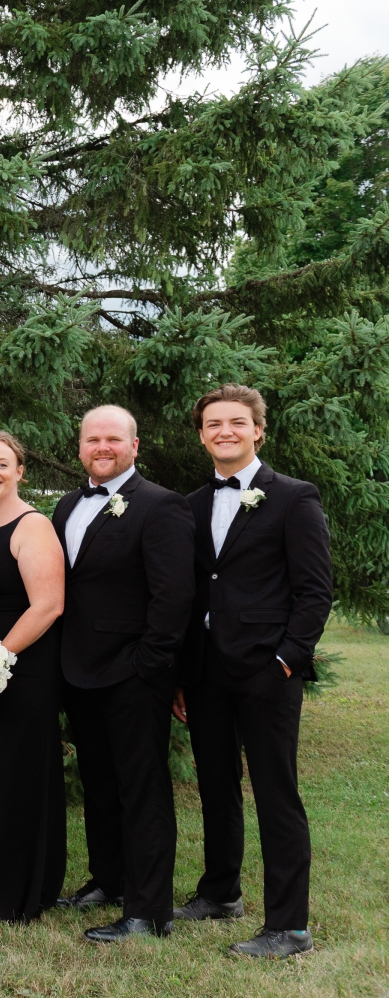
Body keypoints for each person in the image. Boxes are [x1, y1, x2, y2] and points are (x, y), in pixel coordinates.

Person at [173, 385, 331, 958]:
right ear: (201, 434)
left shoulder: (293, 497)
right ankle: (220, 893)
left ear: (257, 430)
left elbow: (314, 592)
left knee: (275, 794)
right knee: (216, 786)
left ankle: (289, 927)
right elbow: (190, 591)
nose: (225, 432)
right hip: (207, 671)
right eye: (214, 424)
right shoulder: (189, 504)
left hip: (270, 671)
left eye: (237, 423)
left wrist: (287, 660)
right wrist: (182, 673)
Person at [53, 405, 194, 943]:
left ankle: (148, 909)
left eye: (114, 438)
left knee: (142, 789)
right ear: (81, 446)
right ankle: (109, 880)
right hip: (79, 671)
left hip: (135, 674)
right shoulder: (67, 505)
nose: (102, 447)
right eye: (93, 439)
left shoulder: (162, 506)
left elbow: (173, 596)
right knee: (100, 784)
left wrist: (148, 666)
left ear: (135, 445)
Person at [0, 431, 66, 922]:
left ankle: (17, 892)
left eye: (2, 464)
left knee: (18, 773)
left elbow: (48, 605)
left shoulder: (33, 526)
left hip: (22, 666)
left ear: (20, 471)